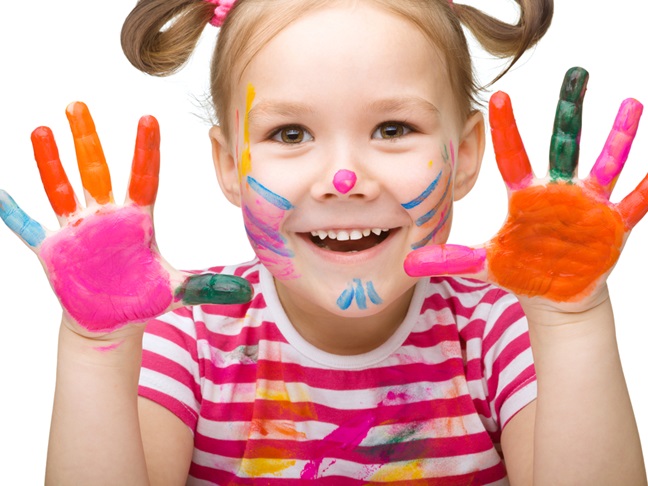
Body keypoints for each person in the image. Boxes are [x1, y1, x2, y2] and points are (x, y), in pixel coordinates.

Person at [0, 0, 646, 484]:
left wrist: (571, 317)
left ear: (467, 154)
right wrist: (94, 345)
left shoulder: (504, 332)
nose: (345, 179)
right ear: (228, 164)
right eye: (289, 134)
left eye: (393, 128)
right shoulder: (187, 338)